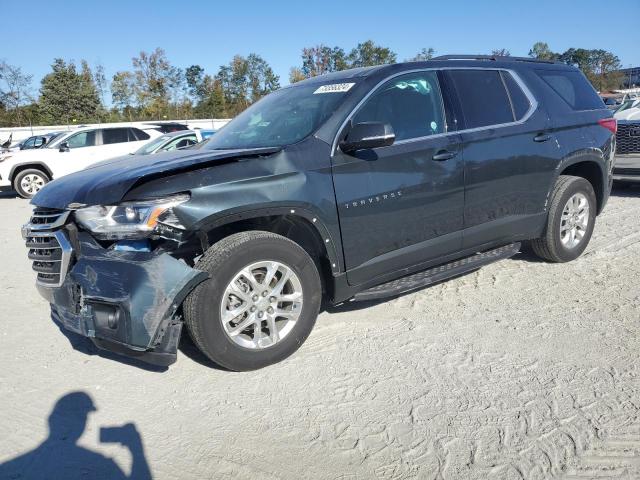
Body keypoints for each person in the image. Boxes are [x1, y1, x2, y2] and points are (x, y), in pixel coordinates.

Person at [0, 392, 151, 480]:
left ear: (51, 419)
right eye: (85, 417)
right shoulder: (101, 461)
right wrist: (137, 452)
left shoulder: (7, 467)